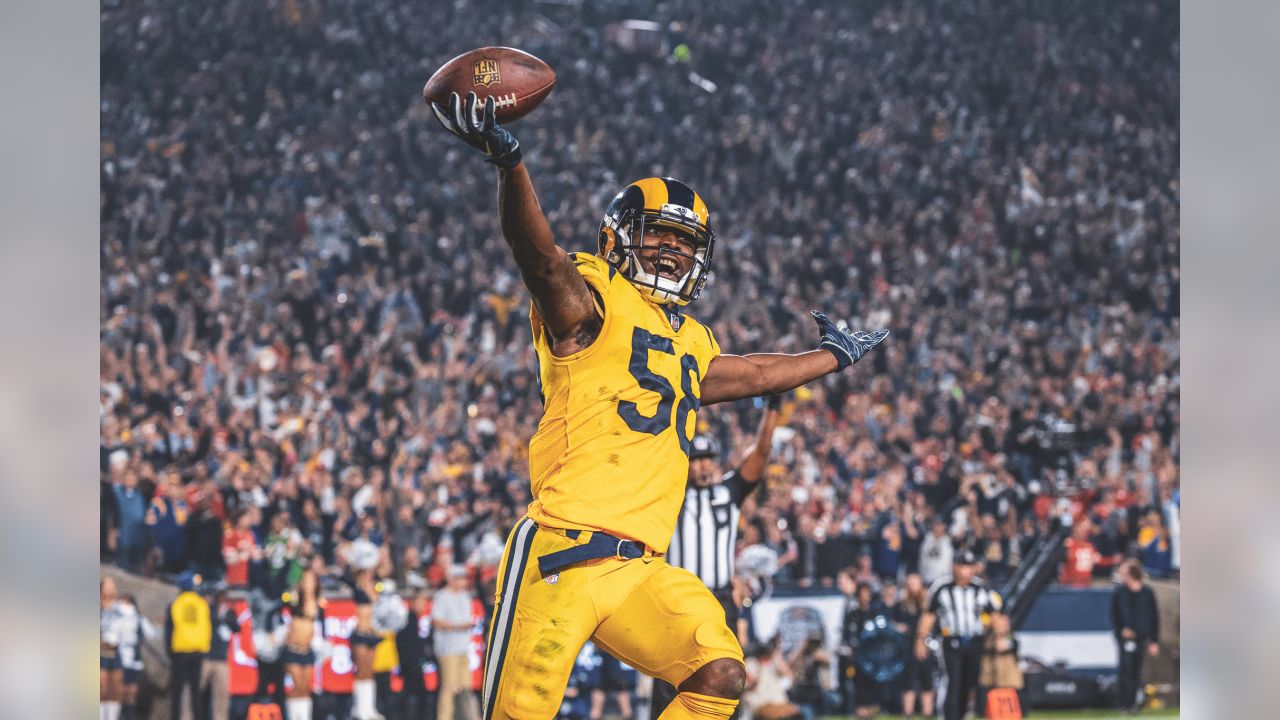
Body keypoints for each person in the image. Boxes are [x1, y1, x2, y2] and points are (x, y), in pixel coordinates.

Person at [429, 90, 888, 720]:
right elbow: (540, 258)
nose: (672, 251)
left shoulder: (692, 340)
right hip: (560, 553)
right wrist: (513, 166)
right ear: (620, 239)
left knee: (719, 673)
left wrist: (834, 356)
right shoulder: (593, 301)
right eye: (659, 236)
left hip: (640, 566)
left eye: (684, 240)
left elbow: (754, 372)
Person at [653, 398, 782, 718]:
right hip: (680, 601)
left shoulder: (729, 492)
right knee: (670, 676)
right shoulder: (672, 493)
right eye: (696, 459)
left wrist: (773, 408)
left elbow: (762, 454)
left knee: (726, 676)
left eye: (708, 458)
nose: (703, 465)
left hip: (721, 598)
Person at [915, 550, 1004, 720]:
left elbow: (995, 614)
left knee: (968, 683)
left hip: (975, 641)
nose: (968, 571)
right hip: (951, 641)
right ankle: (948, 716)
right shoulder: (941, 587)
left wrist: (999, 637)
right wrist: (920, 639)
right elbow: (929, 615)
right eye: (964, 566)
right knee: (951, 682)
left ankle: (961, 715)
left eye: (971, 566)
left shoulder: (981, 587)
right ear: (955, 567)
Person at [1111, 559, 1161, 713]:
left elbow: (1154, 616)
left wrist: (1154, 640)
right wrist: (1121, 631)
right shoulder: (1119, 592)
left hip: (1141, 638)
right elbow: (1114, 615)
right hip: (1125, 639)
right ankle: (1123, 703)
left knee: (1136, 670)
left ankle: (1133, 704)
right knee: (1124, 670)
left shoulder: (1147, 592)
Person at [432, 564, 476, 720]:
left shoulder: (466, 596)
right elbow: (436, 621)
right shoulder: (442, 596)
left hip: (463, 648)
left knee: (466, 688)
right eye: (458, 578)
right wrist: (458, 626)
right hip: (448, 649)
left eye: (463, 578)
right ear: (450, 579)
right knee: (449, 688)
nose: (462, 581)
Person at [165, 571, 211, 720]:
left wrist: (170, 652)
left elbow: (169, 630)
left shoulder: (175, 604)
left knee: (177, 693)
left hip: (180, 651)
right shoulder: (202, 603)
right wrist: (204, 649)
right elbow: (207, 628)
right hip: (197, 651)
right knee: (195, 692)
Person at [281, 569, 323, 720]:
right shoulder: (295, 600)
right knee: (295, 687)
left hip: (308, 650)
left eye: (311, 580)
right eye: (305, 580)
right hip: (293, 650)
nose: (308, 584)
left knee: (306, 688)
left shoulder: (319, 603)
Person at [894, 574, 935, 720]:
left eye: (915, 583)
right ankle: (908, 714)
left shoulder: (928, 603)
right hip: (908, 648)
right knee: (909, 682)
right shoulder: (902, 604)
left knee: (927, 682)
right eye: (910, 584)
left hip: (926, 647)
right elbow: (893, 622)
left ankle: (927, 714)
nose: (913, 587)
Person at [202, 583, 240, 720]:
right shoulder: (209, 610)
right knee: (198, 693)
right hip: (206, 657)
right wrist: (218, 615)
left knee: (221, 697)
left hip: (221, 659)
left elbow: (237, 627)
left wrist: (225, 616)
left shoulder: (229, 612)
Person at [978, 613, 1024, 717]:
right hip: (991, 679)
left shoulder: (1011, 636)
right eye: (1002, 621)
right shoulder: (987, 637)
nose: (1005, 624)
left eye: (1006, 621)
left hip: (1009, 680)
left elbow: (1005, 646)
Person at [101, 578, 125, 720]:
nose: (110, 590)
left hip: (116, 653)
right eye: (107, 587)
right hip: (99, 654)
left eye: (113, 587)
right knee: (101, 691)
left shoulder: (120, 608)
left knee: (116, 692)